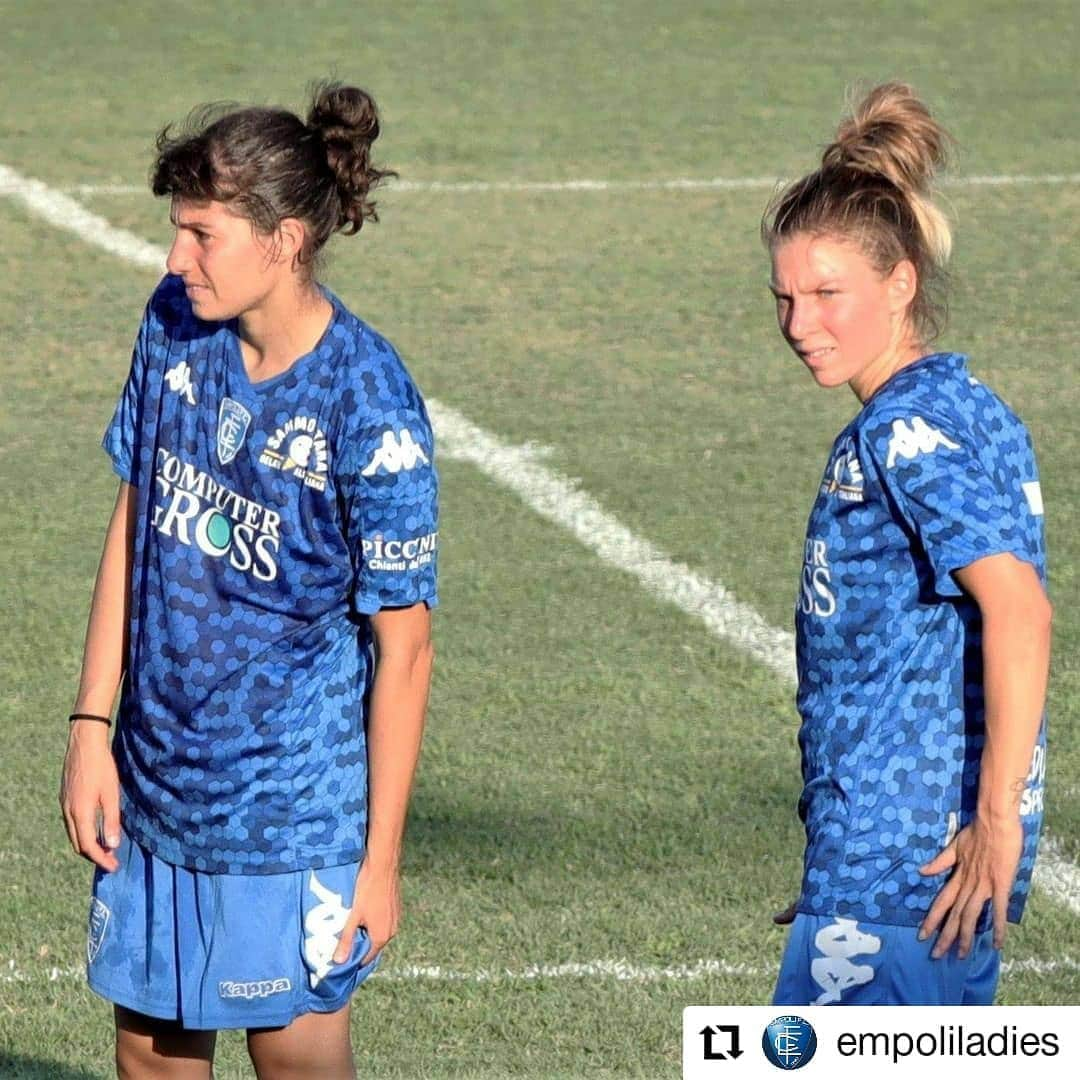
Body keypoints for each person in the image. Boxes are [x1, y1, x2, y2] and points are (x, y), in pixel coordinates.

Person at [59, 81, 438, 1077]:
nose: (174, 258)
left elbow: (405, 647)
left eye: (200, 234)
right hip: (153, 793)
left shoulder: (368, 398)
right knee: (149, 1061)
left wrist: (380, 864)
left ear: (285, 240)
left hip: (289, 821)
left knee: (297, 1068)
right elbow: (137, 518)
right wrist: (91, 730)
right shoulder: (173, 323)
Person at [762, 83, 1051, 1006]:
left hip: (906, 871)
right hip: (909, 870)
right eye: (787, 297)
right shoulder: (975, 408)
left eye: (828, 294)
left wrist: (995, 821)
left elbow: (1019, 607)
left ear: (901, 283)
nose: (800, 325)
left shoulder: (901, 434)